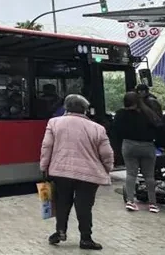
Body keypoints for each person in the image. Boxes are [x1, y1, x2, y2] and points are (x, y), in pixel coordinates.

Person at [40, 94, 113, 251]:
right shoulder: (98, 128)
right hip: (89, 175)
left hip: (60, 172)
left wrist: (44, 167)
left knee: (62, 203)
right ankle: (86, 238)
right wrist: (107, 168)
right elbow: (107, 154)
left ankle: (60, 232)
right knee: (84, 206)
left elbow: (47, 147)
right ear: (85, 110)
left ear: (66, 108)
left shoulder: (54, 123)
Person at [114, 91, 161, 213]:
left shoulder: (120, 114)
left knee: (131, 174)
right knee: (149, 175)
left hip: (129, 145)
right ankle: (153, 203)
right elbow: (159, 127)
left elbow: (116, 131)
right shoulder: (148, 113)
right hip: (147, 145)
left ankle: (131, 201)